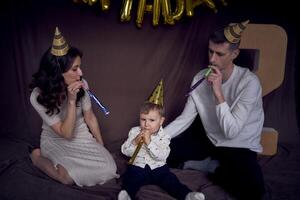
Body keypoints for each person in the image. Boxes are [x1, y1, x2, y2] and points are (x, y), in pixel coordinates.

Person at [164, 20, 265, 200]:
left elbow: (231, 131)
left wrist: (218, 93)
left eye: (220, 54)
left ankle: (212, 167)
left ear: (234, 54)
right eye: (211, 51)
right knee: (160, 153)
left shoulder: (249, 83)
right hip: (210, 141)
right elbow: (184, 119)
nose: (212, 59)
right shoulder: (199, 78)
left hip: (239, 145)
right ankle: (207, 163)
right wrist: (155, 139)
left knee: (253, 192)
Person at [29, 27, 119, 187]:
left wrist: (101, 146)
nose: (81, 73)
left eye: (80, 67)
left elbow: (90, 117)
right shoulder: (38, 96)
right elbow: (66, 133)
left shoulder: (82, 84)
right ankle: (36, 157)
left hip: (82, 136)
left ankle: (90, 160)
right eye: (75, 69)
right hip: (56, 139)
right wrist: (71, 101)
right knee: (67, 178)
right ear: (58, 72)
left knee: (110, 168)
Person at [118, 80, 205, 200]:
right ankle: (127, 194)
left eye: (152, 120)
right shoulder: (134, 131)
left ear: (161, 121)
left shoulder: (164, 136)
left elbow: (161, 156)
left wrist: (149, 142)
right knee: (131, 177)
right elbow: (125, 151)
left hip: (158, 168)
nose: (146, 124)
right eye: (143, 119)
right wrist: (134, 142)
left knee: (170, 180)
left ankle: (187, 195)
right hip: (138, 166)